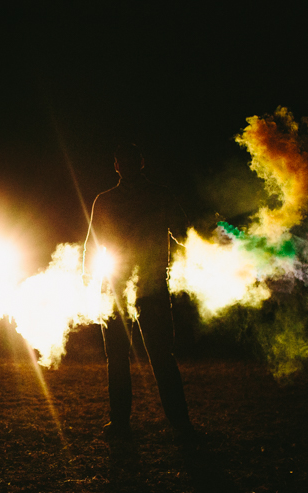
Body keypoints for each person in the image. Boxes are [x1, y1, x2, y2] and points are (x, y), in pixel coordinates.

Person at [83, 143, 194, 442]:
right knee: (132, 357)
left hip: (144, 287)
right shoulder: (152, 195)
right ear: (119, 165)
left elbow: (184, 233)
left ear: (135, 163)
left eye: (128, 161)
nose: (126, 165)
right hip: (126, 289)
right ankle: (168, 423)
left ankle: (162, 422)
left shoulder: (146, 196)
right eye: (123, 161)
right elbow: (92, 243)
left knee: (147, 357)